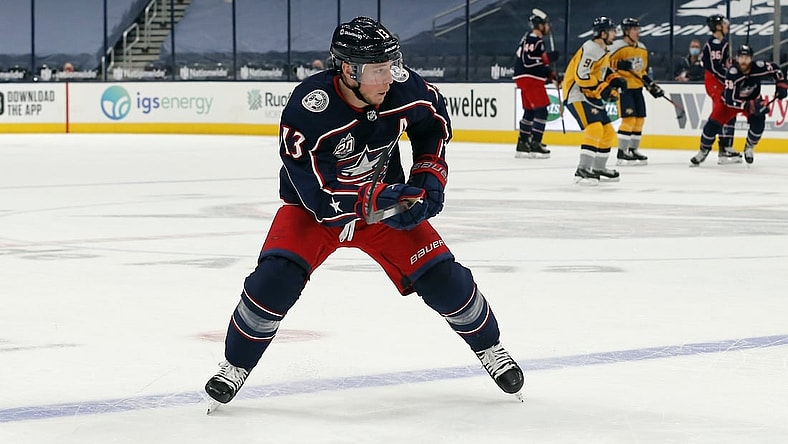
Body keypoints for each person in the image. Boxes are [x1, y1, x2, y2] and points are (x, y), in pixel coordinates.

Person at [204, 16, 524, 408]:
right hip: (314, 213)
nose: (389, 78)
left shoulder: (404, 88)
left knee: (444, 278)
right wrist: (381, 198)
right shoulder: (309, 109)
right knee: (274, 280)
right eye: (378, 70)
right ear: (348, 70)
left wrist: (428, 175)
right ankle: (235, 365)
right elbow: (319, 195)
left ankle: (491, 348)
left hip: (385, 209)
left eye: (391, 65)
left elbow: (434, 124)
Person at [690, 45, 787, 165]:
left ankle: (749, 147)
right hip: (730, 104)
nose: (744, 61)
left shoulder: (759, 67)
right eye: (741, 57)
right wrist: (746, 106)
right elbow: (730, 100)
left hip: (752, 100)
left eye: (747, 58)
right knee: (712, 125)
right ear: (737, 58)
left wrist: (781, 85)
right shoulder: (732, 73)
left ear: (751, 58)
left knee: (759, 122)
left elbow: (776, 69)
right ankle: (703, 150)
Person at [562, 16, 627, 184]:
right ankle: (582, 170)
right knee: (595, 128)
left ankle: (598, 168)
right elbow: (581, 76)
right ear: (603, 33)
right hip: (576, 94)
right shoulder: (591, 49)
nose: (614, 34)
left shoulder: (603, 49)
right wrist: (603, 87)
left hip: (590, 94)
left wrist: (614, 79)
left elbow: (602, 70)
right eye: (612, 31)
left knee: (608, 131)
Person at [609, 17, 663, 166]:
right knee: (629, 119)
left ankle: (633, 150)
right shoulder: (616, 47)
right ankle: (622, 152)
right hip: (624, 88)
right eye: (634, 29)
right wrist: (619, 64)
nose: (638, 32)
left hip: (637, 88)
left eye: (638, 29)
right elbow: (604, 64)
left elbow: (642, 71)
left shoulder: (642, 48)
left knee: (639, 120)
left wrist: (650, 84)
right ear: (626, 31)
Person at [512, 8, 559, 159]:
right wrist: (547, 58)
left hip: (526, 78)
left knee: (530, 111)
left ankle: (523, 143)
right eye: (546, 24)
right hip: (530, 79)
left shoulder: (530, 39)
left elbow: (539, 64)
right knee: (541, 110)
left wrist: (552, 75)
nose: (548, 27)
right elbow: (529, 61)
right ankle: (535, 143)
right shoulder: (533, 40)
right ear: (540, 25)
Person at [701, 14, 741, 164]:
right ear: (718, 26)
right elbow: (715, 67)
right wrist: (728, 77)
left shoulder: (722, 43)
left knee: (729, 110)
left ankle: (726, 147)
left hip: (718, 81)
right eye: (724, 24)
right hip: (715, 81)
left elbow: (723, 63)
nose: (727, 26)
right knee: (724, 111)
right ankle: (724, 149)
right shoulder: (715, 44)